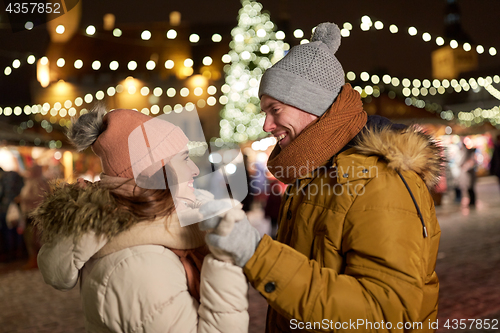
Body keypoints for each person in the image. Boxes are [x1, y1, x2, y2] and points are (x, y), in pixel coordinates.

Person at [202, 22, 442, 332]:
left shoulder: (378, 181)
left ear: (311, 104)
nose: (266, 124)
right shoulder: (314, 174)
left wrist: (257, 254)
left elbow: (385, 312)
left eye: (274, 109)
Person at [33, 107, 249, 332]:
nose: (195, 169)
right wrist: (224, 262)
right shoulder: (139, 263)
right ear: (155, 174)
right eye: (184, 159)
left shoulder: (158, 239)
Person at [19, 163, 50, 269]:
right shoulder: (31, 182)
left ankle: (36, 261)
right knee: (29, 237)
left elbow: (39, 198)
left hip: (35, 215)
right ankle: (33, 259)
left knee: (34, 238)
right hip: (29, 215)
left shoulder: (39, 183)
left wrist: (24, 199)